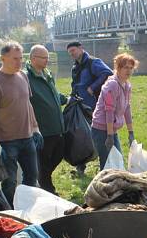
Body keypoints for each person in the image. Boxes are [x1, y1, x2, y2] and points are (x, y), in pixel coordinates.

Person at [0, 41, 41, 204]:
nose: (19, 62)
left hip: (27, 137)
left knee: (32, 175)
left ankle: (28, 205)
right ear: (3, 58)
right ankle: (11, 209)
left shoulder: (23, 76)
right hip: (7, 142)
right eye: (15, 59)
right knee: (9, 182)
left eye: (21, 58)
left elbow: (28, 104)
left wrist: (35, 127)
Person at [26, 45, 67, 195]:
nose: (47, 61)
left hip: (57, 127)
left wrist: (65, 99)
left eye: (48, 58)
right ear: (33, 58)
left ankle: (44, 179)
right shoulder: (26, 77)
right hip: (43, 129)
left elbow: (53, 93)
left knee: (60, 153)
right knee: (43, 161)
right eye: (44, 58)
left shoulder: (47, 74)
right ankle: (47, 189)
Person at [68, 41, 112, 176]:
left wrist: (93, 87)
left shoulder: (93, 62)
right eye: (70, 52)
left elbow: (107, 73)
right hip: (80, 105)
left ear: (81, 49)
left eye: (74, 50)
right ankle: (81, 165)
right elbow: (74, 84)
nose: (72, 54)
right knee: (80, 136)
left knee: (98, 136)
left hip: (94, 106)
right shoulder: (75, 67)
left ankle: (106, 166)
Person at [90, 53, 138, 169]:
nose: (129, 71)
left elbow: (127, 108)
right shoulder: (111, 85)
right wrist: (110, 136)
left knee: (118, 159)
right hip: (101, 129)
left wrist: (131, 132)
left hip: (112, 129)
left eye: (131, 68)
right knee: (107, 162)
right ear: (118, 68)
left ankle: (113, 185)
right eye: (125, 67)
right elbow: (109, 111)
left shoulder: (127, 85)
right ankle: (102, 186)